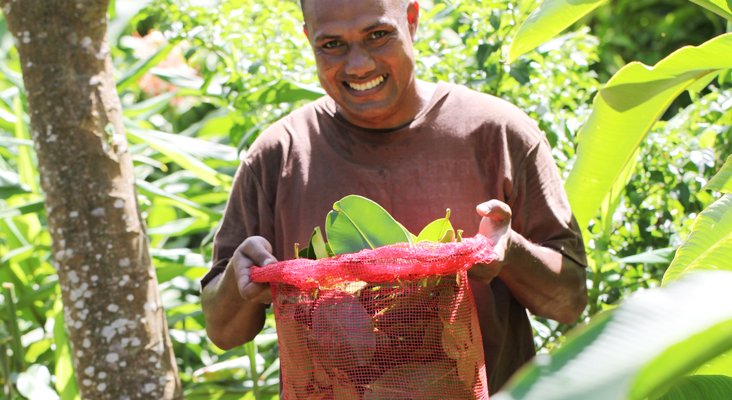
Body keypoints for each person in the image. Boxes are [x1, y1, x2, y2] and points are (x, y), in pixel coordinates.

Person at [200, 0, 587, 393]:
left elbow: (569, 300)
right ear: (308, 40)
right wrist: (238, 280)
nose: (359, 65)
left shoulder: (498, 134)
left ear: (412, 20)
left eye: (378, 35)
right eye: (331, 44)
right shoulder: (279, 155)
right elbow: (222, 330)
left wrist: (510, 252)